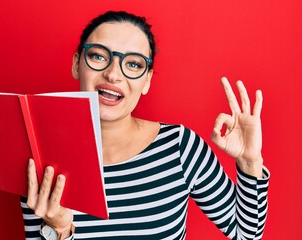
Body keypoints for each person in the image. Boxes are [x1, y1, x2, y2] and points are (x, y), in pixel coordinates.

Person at [20, 10, 269, 240]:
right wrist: (60, 229)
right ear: (77, 64)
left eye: (133, 64)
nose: (113, 74)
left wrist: (250, 162)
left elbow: (246, 235)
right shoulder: (41, 157)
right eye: (98, 55)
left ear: (147, 80)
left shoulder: (180, 147)